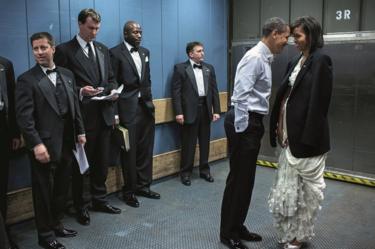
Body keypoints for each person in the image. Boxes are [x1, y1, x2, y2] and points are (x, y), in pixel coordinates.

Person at [220, 17, 290, 249]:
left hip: (251, 121)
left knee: (246, 180)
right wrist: (242, 132)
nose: (286, 42)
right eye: (285, 37)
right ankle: (227, 232)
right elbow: (240, 97)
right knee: (238, 179)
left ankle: (238, 225)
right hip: (244, 122)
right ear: (273, 33)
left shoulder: (264, 58)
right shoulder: (255, 58)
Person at [15, 32, 86, 249]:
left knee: (62, 187)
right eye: (35, 48)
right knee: (43, 191)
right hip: (42, 144)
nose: (39, 52)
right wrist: (36, 144)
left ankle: (56, 223)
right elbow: (24, 118)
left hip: (67, 141)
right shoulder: (26, 79)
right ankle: (45, 236)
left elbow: (75, 107)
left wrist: (80, 131)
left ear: (53, 48)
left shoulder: (67, 74)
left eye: (43, 47)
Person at [268, 16, 333, 249]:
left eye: (298, 36)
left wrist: (306, 140)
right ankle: (288, 231)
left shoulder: (320, 61)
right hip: (288, 136)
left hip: (307, 142)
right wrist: (278, 124)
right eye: (293, 35)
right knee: (288, 189)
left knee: (308, 194)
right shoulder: (295, 60)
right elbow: (285, 96)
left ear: (312, 35)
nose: (294, 40)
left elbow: (319, 106)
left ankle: (299, 236)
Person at [54, 8, 121, 225]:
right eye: (91, 28)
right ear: (80, 24)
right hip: (81, 118)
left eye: (97, 28)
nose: (94, 32)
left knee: (102, 162)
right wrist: (82, 91)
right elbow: (59, 86)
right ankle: (80, 205)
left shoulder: (102, 48)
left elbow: (111, 77)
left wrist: (112, 91)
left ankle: (99, 199)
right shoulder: (64, 50)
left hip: (104, 115)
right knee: (81, 165)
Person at [110, 21, 160, 208]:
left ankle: (143, 186)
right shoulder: (115, 53)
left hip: (145, 107)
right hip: (126, 109)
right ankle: (129, 191)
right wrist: (115, 114)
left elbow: (147, 80)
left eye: (140, 31)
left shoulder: (145, 52)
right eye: (135, 32)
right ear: (125, 33)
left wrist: (150, 103)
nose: (139, 35)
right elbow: (112, 83)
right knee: (129, 152)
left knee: (145, 149)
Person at [171, 41, 221, 186]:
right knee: (189, 144)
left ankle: (205, 171)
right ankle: (185, 173)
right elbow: (176, 93)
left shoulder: (209, 68)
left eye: (203, 50)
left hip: (205, 110)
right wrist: (178, 113)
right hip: (188, 112)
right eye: (199, 51)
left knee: (205, 142)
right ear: (190, 54)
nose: (202, 53)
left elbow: (214, 91)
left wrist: (216, 110)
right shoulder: (180, 68)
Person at [0, 56, 20, 249]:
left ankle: (2, 235)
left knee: (1, 184)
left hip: (2, 132)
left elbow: (12, 100)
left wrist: (15, 133)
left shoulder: (5, 64)